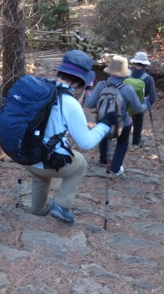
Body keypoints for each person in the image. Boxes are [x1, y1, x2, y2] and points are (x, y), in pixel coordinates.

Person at [25, 50, 119, 223]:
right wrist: (105, 124)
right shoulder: (69, 103)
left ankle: (38, 210)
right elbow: (86, 142)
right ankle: (61, 205)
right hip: (43, 161)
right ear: (81, 80)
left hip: (25, 156)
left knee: (40, 174)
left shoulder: (41, 88)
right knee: (80, 163)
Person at [86, 55, 147, 177]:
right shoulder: (128, 89)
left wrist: (88, 92)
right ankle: (115, 167)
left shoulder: (101, 85)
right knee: (123, 142)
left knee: (103, 133)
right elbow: (138, 109)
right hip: (122, 124)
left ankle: (103, 159)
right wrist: (147, 103)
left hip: (104, 122)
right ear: (125, 74)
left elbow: (90, 104)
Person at [128, 51, 158, 147]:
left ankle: (121, 137)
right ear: (145, 65)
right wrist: (145, 106)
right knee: (138, 123)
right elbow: (152, 97)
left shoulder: (126, 74)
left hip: (125, 105)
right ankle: (136, 141)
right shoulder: (148, 78)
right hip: (139, 106)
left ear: (133, 63)